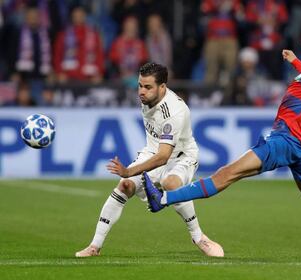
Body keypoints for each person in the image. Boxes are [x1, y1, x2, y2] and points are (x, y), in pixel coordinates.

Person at [139, 17, 301, 260]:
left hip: (286, 139)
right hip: (299, 143)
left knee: (227, 173)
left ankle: (163, 199)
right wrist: (296, 64)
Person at [76, 63, 224, 258]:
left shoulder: (174, 112)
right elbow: (158, 152)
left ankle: (198, 237)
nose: (141, 92)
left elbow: (164, 157)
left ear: (162, 87)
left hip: (181, 157)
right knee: (125, 186)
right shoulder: (147, 98)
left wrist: (130, 170)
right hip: (153, 151)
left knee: (170, 183)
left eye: (147, 87)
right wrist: (129, 176)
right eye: (140, 85)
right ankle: (94, 246)